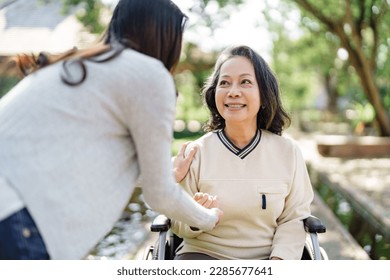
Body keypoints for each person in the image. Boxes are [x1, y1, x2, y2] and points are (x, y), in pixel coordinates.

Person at [0, 0, 222, 260]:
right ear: (165, 37)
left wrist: (167, 171)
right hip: (21, 218)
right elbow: (159, 195)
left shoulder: (80, 65)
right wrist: (208, 219)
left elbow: (86, 160)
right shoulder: (148, 74)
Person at [171, 45, 314, 260]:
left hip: (267, 259)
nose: (233, 91)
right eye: (225, 83)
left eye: (245, 82)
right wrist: (195, 215)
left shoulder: (288, 152)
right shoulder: (195, 153)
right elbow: (177, 225)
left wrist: (279, 262)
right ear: (215, 94)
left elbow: (294, 219)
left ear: (264, 94)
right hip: (202, 256)